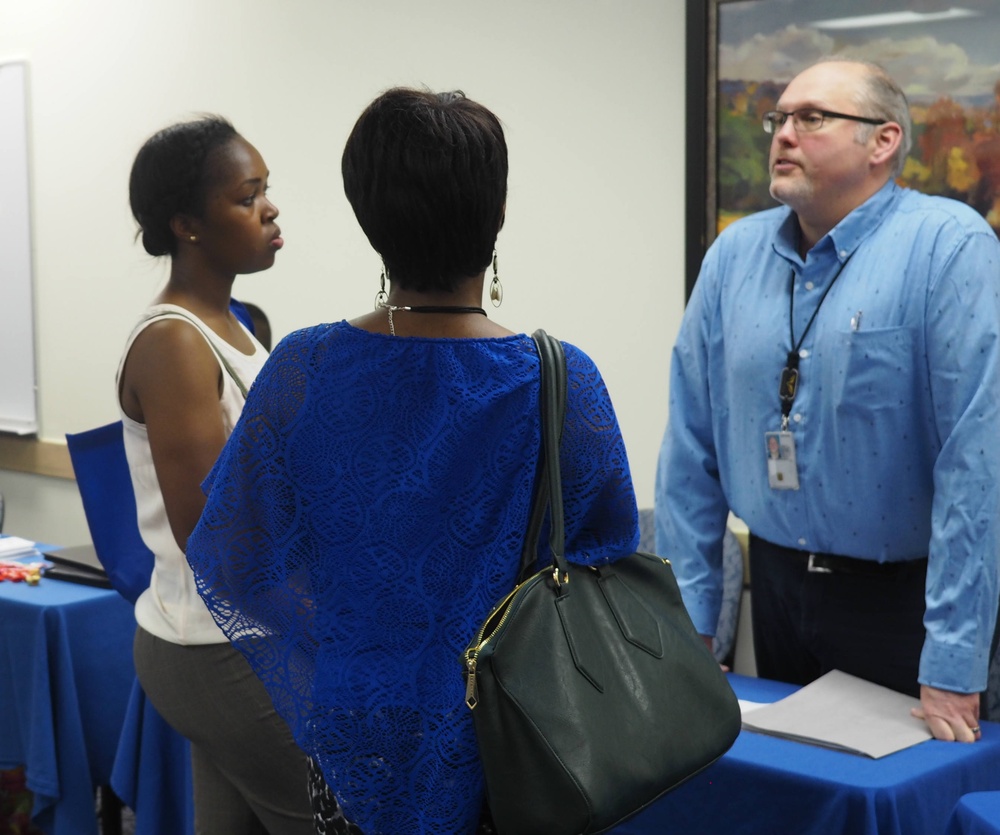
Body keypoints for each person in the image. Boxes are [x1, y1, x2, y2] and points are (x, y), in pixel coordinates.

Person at [185, 88, 639, 834]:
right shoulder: (559, 376)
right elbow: (608, 559)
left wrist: (340, 638)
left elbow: (233, 556)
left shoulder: (305, 366)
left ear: (370, 216)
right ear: (494, 214)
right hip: (518, 731)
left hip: (358, 724)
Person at [655, 59, 1000, 743]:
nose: (783, 134)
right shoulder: (733, 256)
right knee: (789, 801)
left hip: (904, 604)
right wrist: (688, 622)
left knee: (898, 809)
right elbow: (690, 450)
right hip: (777, 589)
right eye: (778, 119)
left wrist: (955, 659)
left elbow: (977, 461)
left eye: (811, 118)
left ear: (884, 142)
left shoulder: (949, 246)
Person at [118, 116, 313, 833]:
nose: (270, 208)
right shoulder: (174, 341)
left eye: (267, 191)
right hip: (213, 642)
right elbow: (210, 531)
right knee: (332, 816)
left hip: (232, 634)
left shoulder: (232, 326)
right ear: (186, 224)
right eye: (247, 195)